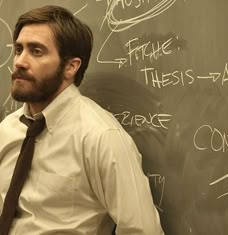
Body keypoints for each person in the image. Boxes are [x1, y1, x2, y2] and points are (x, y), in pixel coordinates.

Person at [0, 5, 164, 235]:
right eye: (19, 49)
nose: (19, 61)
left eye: (36, 51)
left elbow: (142, 230)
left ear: (70, 67)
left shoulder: (101, 137)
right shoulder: (8, 129)